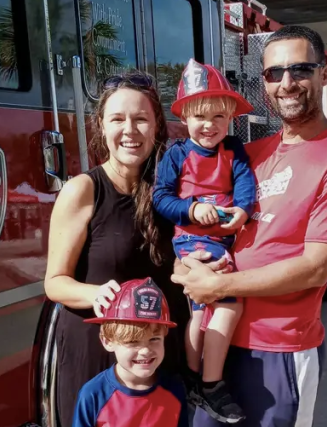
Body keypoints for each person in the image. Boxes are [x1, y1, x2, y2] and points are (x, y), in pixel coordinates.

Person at [171, 25, 327, 427]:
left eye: (300, 69)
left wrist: (220, 286)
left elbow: (316, 267)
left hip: (279, 350)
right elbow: (199, 228)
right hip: (218, 339)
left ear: (324, 74)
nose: (286, 83)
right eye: (273, 73)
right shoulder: (247, 154)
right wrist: (186, 268)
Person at [43, 71, 191, 427]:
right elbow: (55, 283)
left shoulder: (174, 192)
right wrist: (97, 293)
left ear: (157, 127)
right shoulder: (83, 190)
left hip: (158, 353)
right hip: (97, 354)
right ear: (102, 127)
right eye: (118, 119)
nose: (130, 130)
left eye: (141, 119)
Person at [153, 58, 256, 424]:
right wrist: (192, 210)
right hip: (194, 240)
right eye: (200, 117)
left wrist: (242, 210)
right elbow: (161, 198)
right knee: (229, 307)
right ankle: (213, 385)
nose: (209, 125)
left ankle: (193, 377)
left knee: (201, 310)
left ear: (230, 119)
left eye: (218, 117)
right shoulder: (177, 154)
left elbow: (245, 185)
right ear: (184, 118)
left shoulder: (234, 151)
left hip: (222, 238)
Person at [72, 277, 189, 427]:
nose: (145, 351)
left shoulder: (176, 388)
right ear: (107, 341)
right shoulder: (93, 395)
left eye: (154, 339)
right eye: (133, 342)